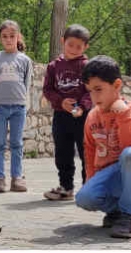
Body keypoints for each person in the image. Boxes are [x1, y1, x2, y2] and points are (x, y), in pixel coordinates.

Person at [74, 55, 131, 238]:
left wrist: (123, 116)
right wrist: (91, 182)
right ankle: (117, 213)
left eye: (99, 89)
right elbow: (89, 151)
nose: (94, 97)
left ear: (117, 85)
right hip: (108, 173)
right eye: (90, 91)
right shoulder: (92, 117)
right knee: (84, 198)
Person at [42, 24, 92, 200]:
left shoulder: (87, 66)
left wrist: (82, 107)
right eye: (70, 44)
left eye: (79, 46)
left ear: (85, 47)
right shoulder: (53, 66)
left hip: (83, 117)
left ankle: (89, 187)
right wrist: (61, 102)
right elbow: (47, 90)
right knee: (63, 153)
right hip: (61, 116)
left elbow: (91, 90)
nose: (74, 49)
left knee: (86, 153)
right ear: (63, 41)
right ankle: (66, 187)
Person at [0, 20, 33, 193]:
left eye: (12, 36)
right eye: (5, 36)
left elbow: (27, 83)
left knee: (16, 143)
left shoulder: (25, 60)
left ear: (18, 37)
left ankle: (17, 178)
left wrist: (24, 103)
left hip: (18, 108)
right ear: (1, 38)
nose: (8, 40)